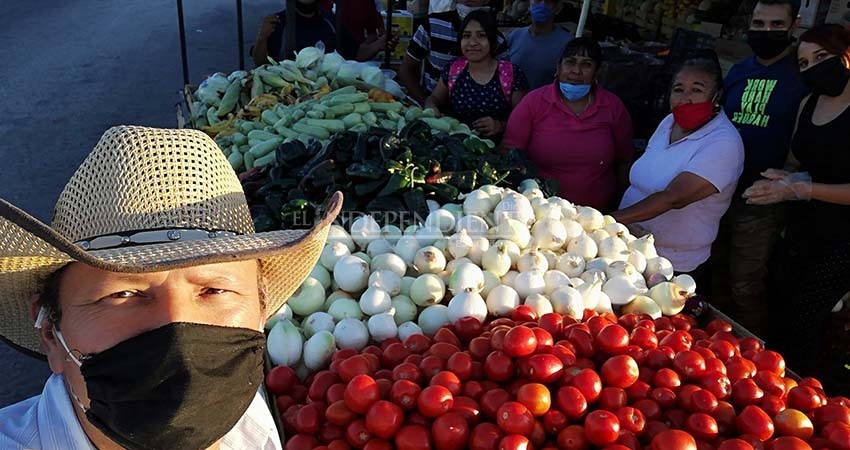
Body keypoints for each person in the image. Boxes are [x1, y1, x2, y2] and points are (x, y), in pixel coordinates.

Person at [0, 126, 341, 449]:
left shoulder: (251, 420)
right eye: (123, 294)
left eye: (214, 290)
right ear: (48, 331)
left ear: (262, 311)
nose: (176, 327)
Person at [742, 24, 850, 384]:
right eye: (804, 63)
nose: (813, 67)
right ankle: (772, 385)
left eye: (821, 57)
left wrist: (803, 189)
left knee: (807, 318)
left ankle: (806, 396)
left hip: (843, 239)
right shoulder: (809, 102)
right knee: (780, 306)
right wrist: (785, 177)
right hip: (801, 227)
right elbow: (797, 158)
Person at [709, 0, 808, 336]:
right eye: (760, 24)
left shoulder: (802, 74)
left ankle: (750, 352)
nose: (766, 32)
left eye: (776, 25)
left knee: (745, 285)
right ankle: (714, 342)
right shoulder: (739, 71)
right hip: (720, 190)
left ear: (794, 24)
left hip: (763, 199)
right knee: (715, 274)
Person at [612, 56, 745, 283]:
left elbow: (675, 198)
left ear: (717, 96)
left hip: (672, 262)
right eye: (679, 89)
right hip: (629, 246)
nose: (685, 99)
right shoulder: (668, 123)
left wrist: (610, 219)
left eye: (697, 90)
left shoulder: (724, 143)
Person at [502, 37, 635, 211]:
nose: (576, 71)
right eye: (570, 63)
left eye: (586, 64)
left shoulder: (612, 107)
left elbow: (625, 160)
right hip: (542, 212)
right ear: (558, 67)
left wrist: (619, 206)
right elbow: (509, 151)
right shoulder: (534, 102)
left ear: (597, 72)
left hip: (596, 216)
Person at [424, 10, 529, 137]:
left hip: (499, 150)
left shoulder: (511, 74)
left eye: (481, 36)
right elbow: (435, 98)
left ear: (492, 41)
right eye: (466, 36)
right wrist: (431, 107)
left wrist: (500, 125)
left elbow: (524, 119)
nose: (472, 43)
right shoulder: (454, 69)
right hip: (457, 147)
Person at [400, 0, 509, 104]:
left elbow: (506, 85)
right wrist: (427, 105)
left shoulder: (496, 40)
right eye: (466, 36)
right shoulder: (432, 24)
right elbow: (406, 69)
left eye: (481, 36)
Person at [251, 0, 393, 65]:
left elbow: (355, 54)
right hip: (288, 96)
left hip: (326, 97)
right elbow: (260, 62)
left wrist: (379, 45)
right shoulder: (278, 22)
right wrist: (261, 38)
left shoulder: (331, 22)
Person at [507, 0, 573, 89]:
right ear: (529, 5)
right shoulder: (514, 36)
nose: (542, 5)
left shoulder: (568, 43)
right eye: (537, 1)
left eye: (548, 1)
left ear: (558, 8)